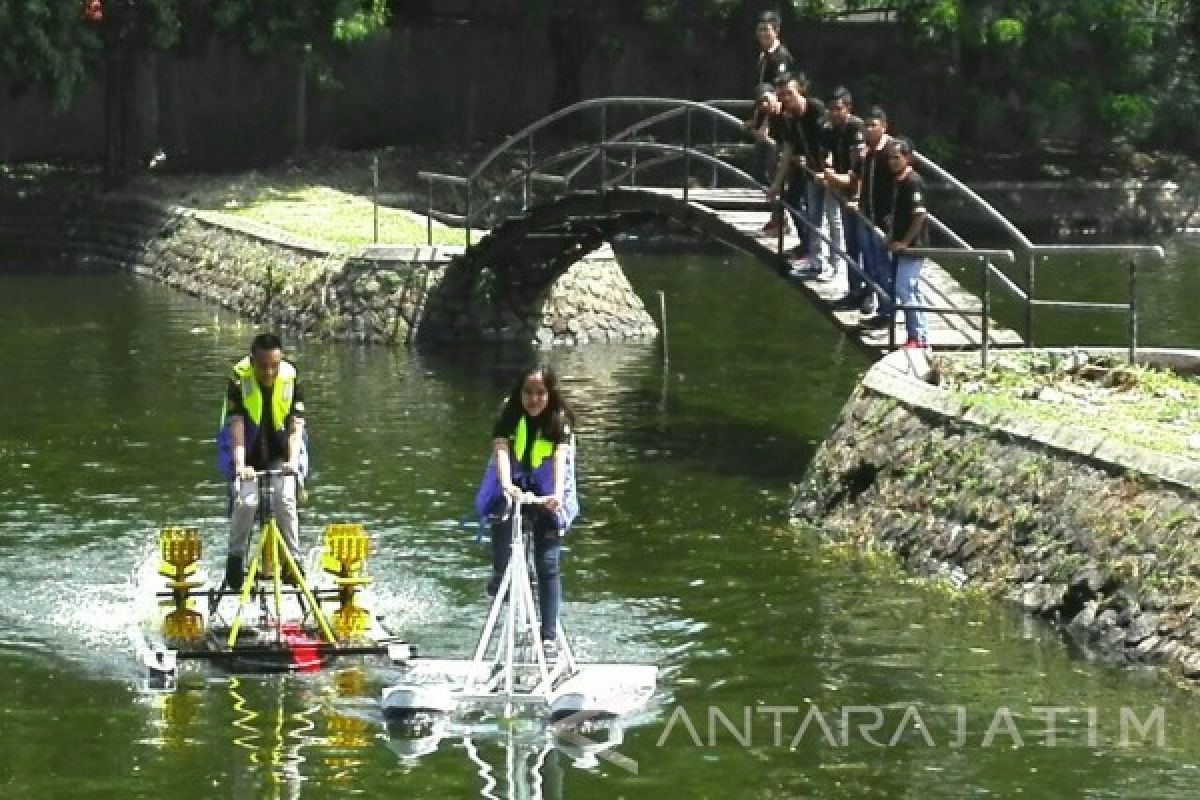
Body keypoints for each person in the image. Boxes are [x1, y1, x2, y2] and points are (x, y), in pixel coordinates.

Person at [474, 365, 578, 661]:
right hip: (514, 485)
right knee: (504, 548)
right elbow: (502, 452)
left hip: (547, 491)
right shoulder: (508, 417)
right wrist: (507, 485)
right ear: (519, 394)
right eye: (528, 393)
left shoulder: (559, 422)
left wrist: (555, 495)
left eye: (540, 393)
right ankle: (499, 578)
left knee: (547, 565)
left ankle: (547, 638)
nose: (533, 400)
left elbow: (560, 460)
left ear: (550, 394)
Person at [216, 333, 307, 590]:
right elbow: (236, 427)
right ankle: (235, 562)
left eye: (274, 366)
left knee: (285, 499)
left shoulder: (291, 378)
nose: (269, 372)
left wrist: (291, 462)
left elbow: (296, 426)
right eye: (263, 366)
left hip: (282, 451)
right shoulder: (238, 380)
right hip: (246, 451)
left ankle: (293, 562)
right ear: (252, 361)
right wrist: (241, 466)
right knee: (247, 502)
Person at [768, 73, 828, 275]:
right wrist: (776, 183)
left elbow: (829, 140)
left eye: (789, 94)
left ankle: (831, 266)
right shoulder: (789, 118)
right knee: (812, 215)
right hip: (811, 172)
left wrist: (828, 169)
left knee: (833, 222)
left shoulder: (816, 109)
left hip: (828, 174)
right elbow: (787, 150)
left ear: (799, 91)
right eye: (782, 95)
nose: (786, 98)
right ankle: (814, 258)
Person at [850, 106, 896, 325]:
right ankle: (880, 307)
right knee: (872, 264)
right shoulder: (866, 152)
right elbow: (856, 178)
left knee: (884, 267)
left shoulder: (891, 151)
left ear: (884, 126)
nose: (868, 130)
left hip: (884, 220)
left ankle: (889, 312)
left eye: (873, 125)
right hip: (867, 215)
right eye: (866, 125)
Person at [821, 87, 866, 298]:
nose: (834, 112)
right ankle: (854, 290)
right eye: (831, 109)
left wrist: (855, 196)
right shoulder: (831, 130)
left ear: (848, 108)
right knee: (851, 244)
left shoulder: (856, 129)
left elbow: (859, 167)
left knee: (864, 245)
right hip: (842, 188)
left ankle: (868, 295)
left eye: (838, 108)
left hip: (858, 193)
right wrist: (828, 169)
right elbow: (827, 155)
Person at [886, 137, 930, 349]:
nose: (892, 162)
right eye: (890, 158)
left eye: (897, 157)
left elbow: (920, 215)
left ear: (908, 158)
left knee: (904, 288)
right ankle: (919, 334)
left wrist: (905, 242)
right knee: (911, 289)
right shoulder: (898, 181)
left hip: (912, 247)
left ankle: (918, 336)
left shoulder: (913, 181)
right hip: (899, 244)